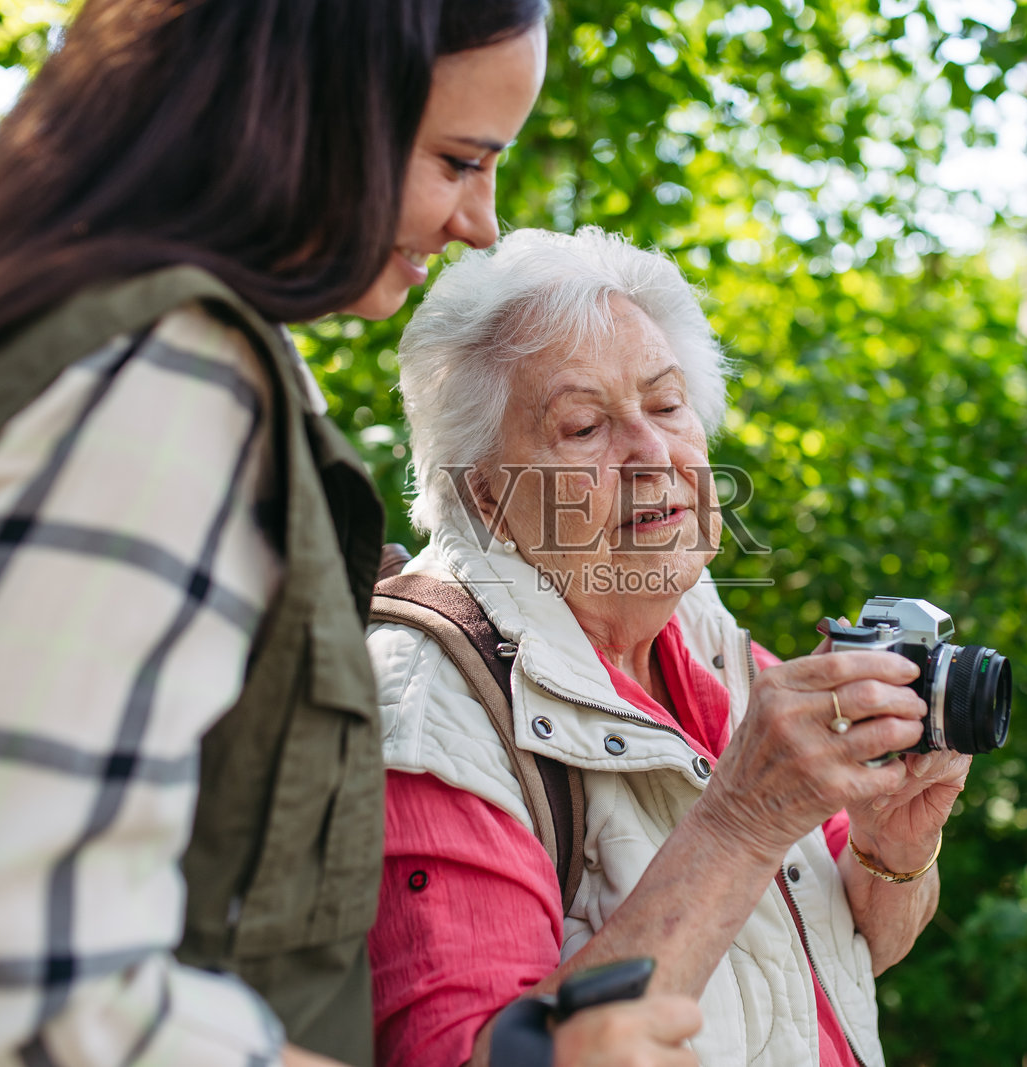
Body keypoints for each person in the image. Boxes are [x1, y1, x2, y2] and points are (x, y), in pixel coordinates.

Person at [0, 4, 699, 1066]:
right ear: (312, 109)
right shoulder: (158, 385)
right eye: (459, 160)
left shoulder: (86, 333)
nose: (482, 222)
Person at [366, 226, 974, 1066]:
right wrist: (740, 823)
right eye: (583, 427)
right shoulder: (428, 711)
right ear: (489, 495)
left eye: (665, 404)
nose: (652, 453)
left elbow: (860, 943)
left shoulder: (703, 631)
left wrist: (895, 846)